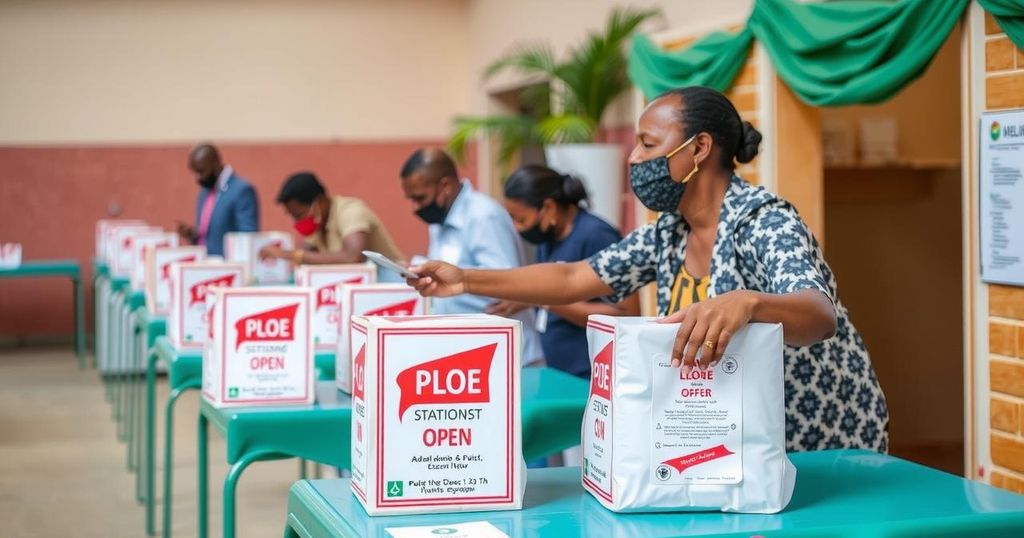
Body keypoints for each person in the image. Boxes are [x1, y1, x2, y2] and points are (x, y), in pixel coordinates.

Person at [407, 87, 889, 453]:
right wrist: (465, 278)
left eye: (648, 143)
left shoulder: (762, 219)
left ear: (699, 149)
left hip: (819, 444)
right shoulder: (669, 231)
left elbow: (819, 314)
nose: (634, 157)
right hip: (733, 444)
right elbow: (574, 278)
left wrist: (750, 302)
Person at [400, 148, 544, 364]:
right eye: (411, 199)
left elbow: (506, 285)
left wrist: (462, 281)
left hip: (509, 356)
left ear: (445, 186)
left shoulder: (483, 216)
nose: (416, 207)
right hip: (470, 351)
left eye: (420, 198)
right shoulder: (440, 219)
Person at [495, 165, 640, 378]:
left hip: (591, 373)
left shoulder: (597, 235)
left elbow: (628, 313)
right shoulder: (548, 238)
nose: (517, 228)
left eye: (522, 219)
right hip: (558, 370)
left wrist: (544, 299)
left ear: (549, 207)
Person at [259, 171, 405, 269]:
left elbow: (353, 257)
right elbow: (308, 259)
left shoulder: (351, 211)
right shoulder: (318, 223)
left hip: (393, 285)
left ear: (320, 202)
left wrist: (288, 254)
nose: (297, 222)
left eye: (299, 215)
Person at [177, 143, 259, 256]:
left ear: (215, 163)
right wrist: (193, 236)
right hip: (204, 265)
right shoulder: (205, 191)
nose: (198, 178)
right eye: (195, 173)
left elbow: (247, 237)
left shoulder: (241, 190)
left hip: (228, 267)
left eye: (201, 171)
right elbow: (207, 236)